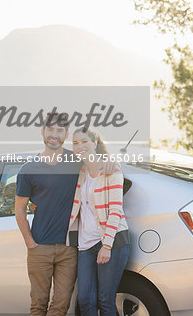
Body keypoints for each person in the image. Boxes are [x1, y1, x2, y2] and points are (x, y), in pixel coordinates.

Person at [15, 112, 118, 316]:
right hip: (39, 247)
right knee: (38, 304)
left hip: (70, 248)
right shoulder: (28, 170)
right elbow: (19, 210)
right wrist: (30, 243)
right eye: (50, 129)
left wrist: (111, 162)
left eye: (60, 130)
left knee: (61, 304)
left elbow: (97, 164)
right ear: (42, 132)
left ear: (66, 134)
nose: (55, 134)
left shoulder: (75, 161)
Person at [66, 127, 130, 316]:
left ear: (95, 143)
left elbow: (116, 210)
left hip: (111, 243)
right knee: (85, 299)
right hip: (85, 245)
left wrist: (107, 246)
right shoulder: (81, 172)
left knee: (105, 300)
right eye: (75, 143)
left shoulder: (111, 169)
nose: (80, 146)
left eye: (84, 141)